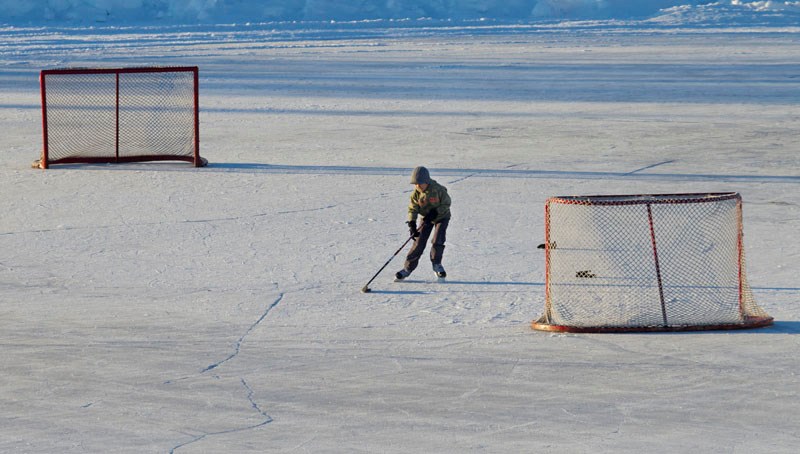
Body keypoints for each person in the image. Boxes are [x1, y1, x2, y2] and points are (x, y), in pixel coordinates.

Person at [396, 166, 451, 280]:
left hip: (442, 217)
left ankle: (437, 265)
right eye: (415, 184)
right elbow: (413, 208)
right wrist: (412, 223)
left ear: (426, 181)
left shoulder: (438, 189)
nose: (417, 186)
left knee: (438, 240)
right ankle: (407, 268)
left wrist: (436, 212)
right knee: (419, 242)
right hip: (426, 218)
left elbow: (446, 204)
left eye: (420, 183)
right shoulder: (416, 194)